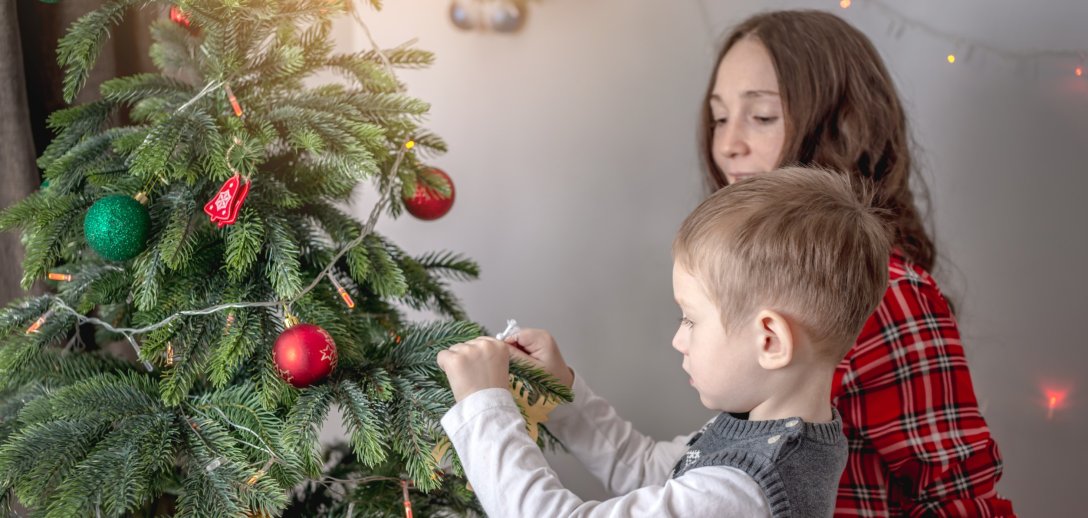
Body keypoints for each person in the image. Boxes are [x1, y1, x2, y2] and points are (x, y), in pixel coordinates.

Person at [697, 10, 1013, 516]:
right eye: (718, 117)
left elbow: (957, 499)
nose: (727, 145)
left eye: (761, 117)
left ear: (838, 127)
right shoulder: (749, 280)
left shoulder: (888, 292)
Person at [438, 168, 891, 517]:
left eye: (690, 320)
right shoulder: (765, 433)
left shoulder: (744, 488)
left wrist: (484, 407)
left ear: (769, 340)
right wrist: (564, 393)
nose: (678, 340)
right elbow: (647, 468)